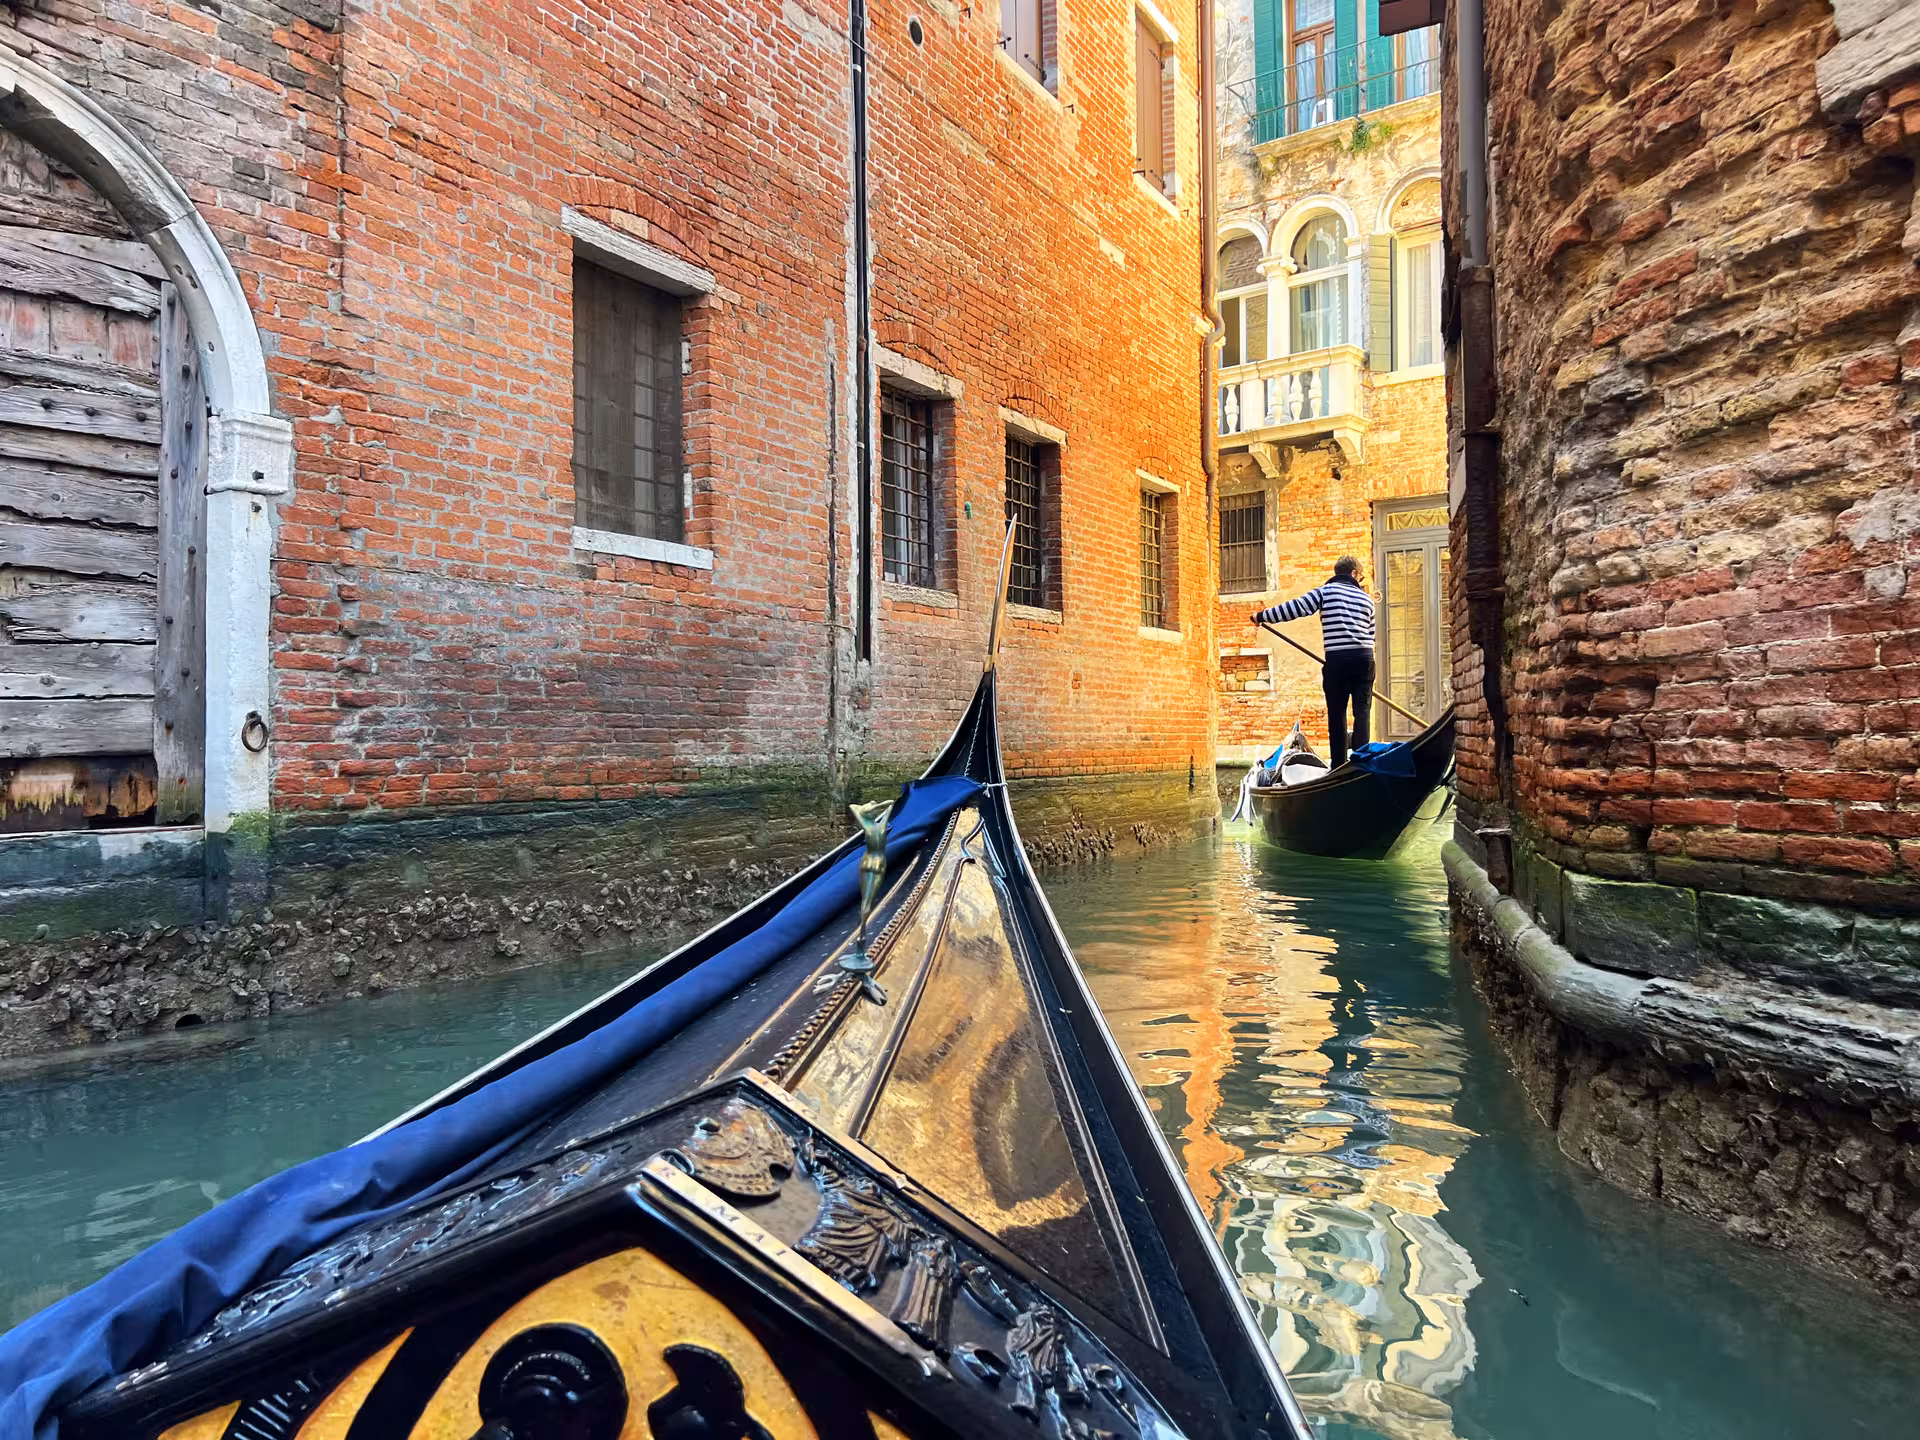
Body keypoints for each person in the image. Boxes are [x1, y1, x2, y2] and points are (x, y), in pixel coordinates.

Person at [1251, 555, 1377, 768]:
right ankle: (1361, 764)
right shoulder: (1367, 600)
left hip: (1337, 662)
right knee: (1362, 714)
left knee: (1337, 716)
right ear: (1354, 574)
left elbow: (1294, 608)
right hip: (1365, 661)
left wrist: (1261, 616)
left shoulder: (1325, 592)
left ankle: (1338, 766)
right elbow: (1370, 635)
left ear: (1338, 573)